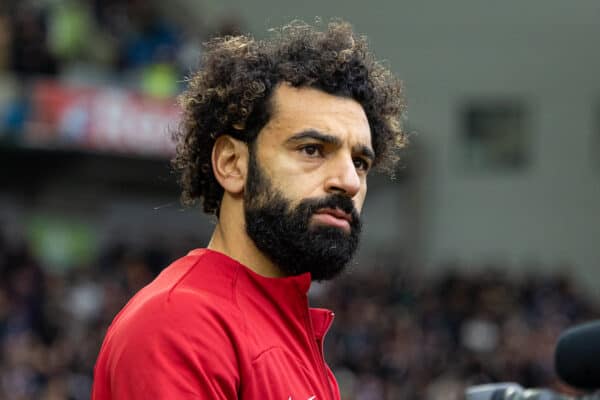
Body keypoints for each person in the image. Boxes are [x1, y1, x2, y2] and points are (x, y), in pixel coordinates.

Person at [91, 19, 406, 399]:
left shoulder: (287, 330)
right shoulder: (179, 324)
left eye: (359, 162)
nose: (349, 182)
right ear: (231, 164)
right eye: (311, 150)